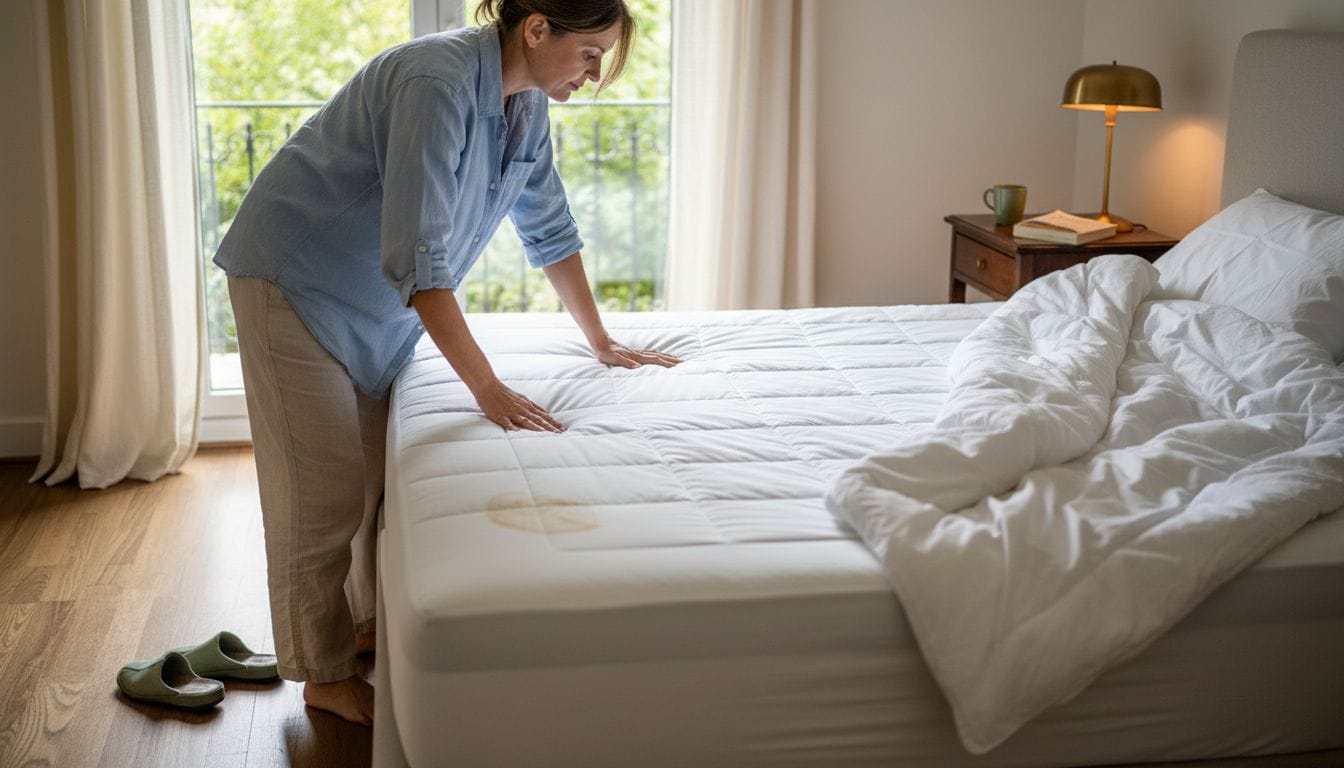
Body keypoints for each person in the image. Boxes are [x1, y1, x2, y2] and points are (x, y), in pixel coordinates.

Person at [213, 0, 680, 726]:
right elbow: (420, 258)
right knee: (322, 493)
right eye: (590, 55)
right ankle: (322, 674)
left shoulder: (526, 104)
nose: (593, 75)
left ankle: (359, 630)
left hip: (370, 297)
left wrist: (601, 341)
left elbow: (548, 223)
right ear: (535, 29)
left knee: (369, 480)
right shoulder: (437, 82)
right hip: (293, 276)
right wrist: (486, 387)